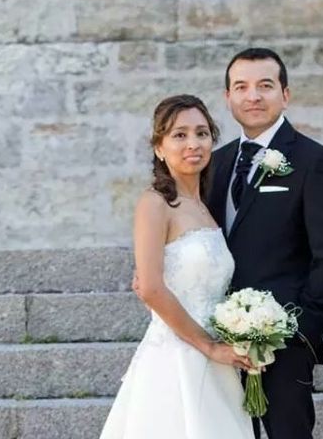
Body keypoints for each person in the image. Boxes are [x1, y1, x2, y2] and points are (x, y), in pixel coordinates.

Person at [205, 47, 323, 438]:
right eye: (242, 87)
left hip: (284, 341)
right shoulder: (213, 164)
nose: (253, 96)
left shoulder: (311, 160)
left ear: (284, 95)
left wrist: (302, 330)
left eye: (265, 86)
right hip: (219, 342)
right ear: (228, 98)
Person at [100, 94, 255, 439]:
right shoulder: (156, 203)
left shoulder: (206, 208)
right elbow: (151, 287)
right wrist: (210, 346)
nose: (193, 144)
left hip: (219, 363)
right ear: (159, 147)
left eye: (201, 133)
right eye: (179, 135)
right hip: (177, 357)